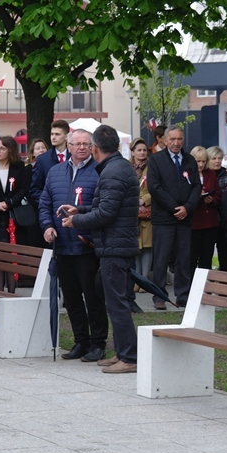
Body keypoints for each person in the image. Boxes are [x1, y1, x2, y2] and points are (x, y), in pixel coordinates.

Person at [61, 124, 139, 374]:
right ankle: (123, 352)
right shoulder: (117, 167)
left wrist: (76, 221)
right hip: (114, 244)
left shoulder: (113, 171)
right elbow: (105, 206)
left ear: (95, 148)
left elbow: (106, 213)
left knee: (117, 303)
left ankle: (130, 357)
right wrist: (80, 209)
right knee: (114, 300)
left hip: (115, 246)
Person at [40, 128, 108, 362]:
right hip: (62, 245)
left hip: (86, 245)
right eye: (77, 144)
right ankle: (81, 341)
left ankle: (98, 343)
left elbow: (101, 208)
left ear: (92, 147)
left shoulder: (99, 171)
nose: (81, 147)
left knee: (93, 297)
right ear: (68, 146)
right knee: (71, 299)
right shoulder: (55, 172)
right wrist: (47, 226)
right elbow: (45, 203)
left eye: (85, 144)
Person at [146, 126, 201, 308]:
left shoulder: (189, 160)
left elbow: (196, 186)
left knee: (183, 259)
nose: (176, 143)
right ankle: (159, 296)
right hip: (164, 218)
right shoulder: (156, 160)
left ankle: (183, 295)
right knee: (161, 259)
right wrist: (174, 207)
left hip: (185, 218)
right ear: (165, 140)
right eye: (172, 139)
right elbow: (154, 187)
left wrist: (187, 207)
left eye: (179, 139)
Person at [0, 135, 30, 292]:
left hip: (13, 215)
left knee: (12, 254)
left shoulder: (19, 167)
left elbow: (23, 188)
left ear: (10, 150)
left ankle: (11, 292)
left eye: (2, 148)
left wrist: (9, 202)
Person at [189, 146, 221, 270]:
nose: (201, 164)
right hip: (194, 222)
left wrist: (212, 200)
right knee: (192, 257)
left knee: (206, 258)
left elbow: (218, 193)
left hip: (210, 222)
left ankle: (204, 281)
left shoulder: (210, 173)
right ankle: (191, 281)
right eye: (198, 161)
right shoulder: (187, 174)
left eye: (203, 161)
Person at [131, 138, 153, 307]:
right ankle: (137, 278)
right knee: (135, 248)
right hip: (131, 212)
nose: (142, 153)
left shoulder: (151, 168)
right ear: (133, 152)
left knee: (146, 247)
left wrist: (144, 199)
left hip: (146, 212)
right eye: (139, 150)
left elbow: (156, 187)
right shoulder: (128, 167)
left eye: (144, 150)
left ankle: (145, 278)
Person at [29, 119, 69, 206]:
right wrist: (48, 202)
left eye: (57, 134)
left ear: (66, 137)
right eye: (52, 134)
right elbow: (34, 189)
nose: (53, 137)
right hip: (50, 208)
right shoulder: (42, 160)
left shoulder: (74, 157)